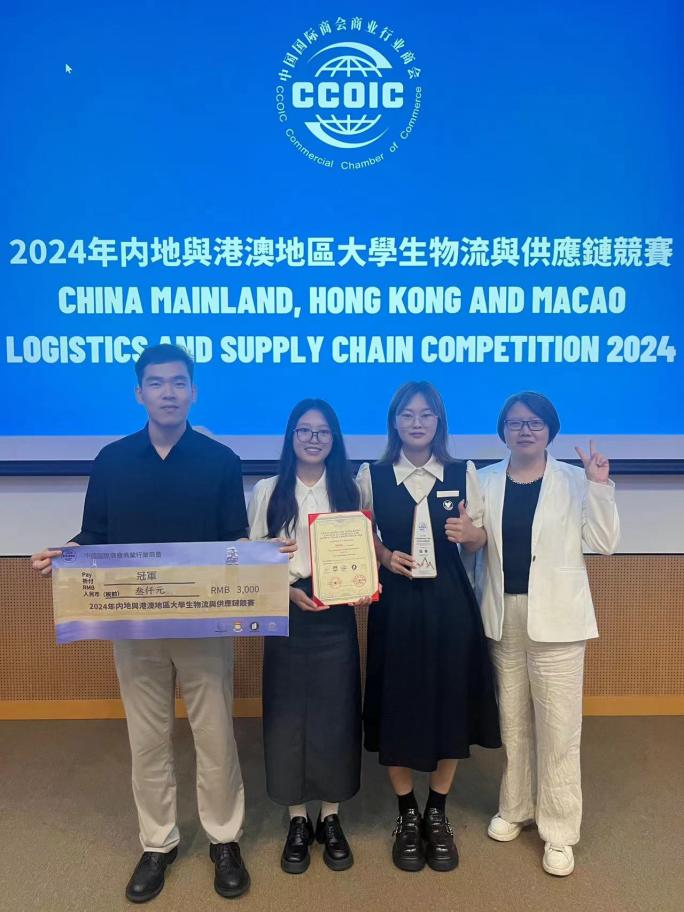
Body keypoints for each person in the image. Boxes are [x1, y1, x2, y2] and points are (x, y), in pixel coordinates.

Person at [31, 344, 292, 903]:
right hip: (135, 628)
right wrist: (66, 553)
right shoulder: (111, 460)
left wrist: (265, 555)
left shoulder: (220, 461)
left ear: (193, 391)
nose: (168, 392)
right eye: (156, 383)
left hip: (205, 628)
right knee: (147, 738)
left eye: (178, 382)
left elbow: (232, 540)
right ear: (139, 393)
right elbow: (95, 535)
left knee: (215, 735)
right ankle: (158, 842)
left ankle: (224, 839)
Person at [356, 381, 501, 873]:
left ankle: (437, 811)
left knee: (448, 699)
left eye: (426, 414)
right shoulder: (372, 475)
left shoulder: (463, 473)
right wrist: (381, 555)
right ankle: (406, 813)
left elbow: (479, 540)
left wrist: (472, 534)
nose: (416, 423)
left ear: (438, 422)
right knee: (397, 701)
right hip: (396, 604)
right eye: (407, 414)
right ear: (394, 422)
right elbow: (357, 532)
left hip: (449, 604)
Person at [474, 391, 620, 877]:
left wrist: (599, 486)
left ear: (550, 430)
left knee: (559, 729)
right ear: (503, 430)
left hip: (558, 620)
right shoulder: (485, 480)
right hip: (503, 615)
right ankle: (516, 807)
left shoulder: (577, 481)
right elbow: (473, 545)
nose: (525, 430)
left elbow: (603, 543)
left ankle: (559, 830)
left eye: (534, 422)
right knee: (513, 723)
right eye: (515, 423)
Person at [248, 399, 370, 875]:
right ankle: (297, 819)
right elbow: (252, 555)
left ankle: (331, 817)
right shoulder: (268, 490)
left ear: (334, 439)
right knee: (287, 716)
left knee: (337, 713)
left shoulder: (350, 488)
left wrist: (361, 586)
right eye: (304, 430)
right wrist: (285, 590)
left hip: (337, 613)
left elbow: (365, 548)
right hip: (287, 609)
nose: (313, 439)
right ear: (291, 437)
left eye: (322, 431)